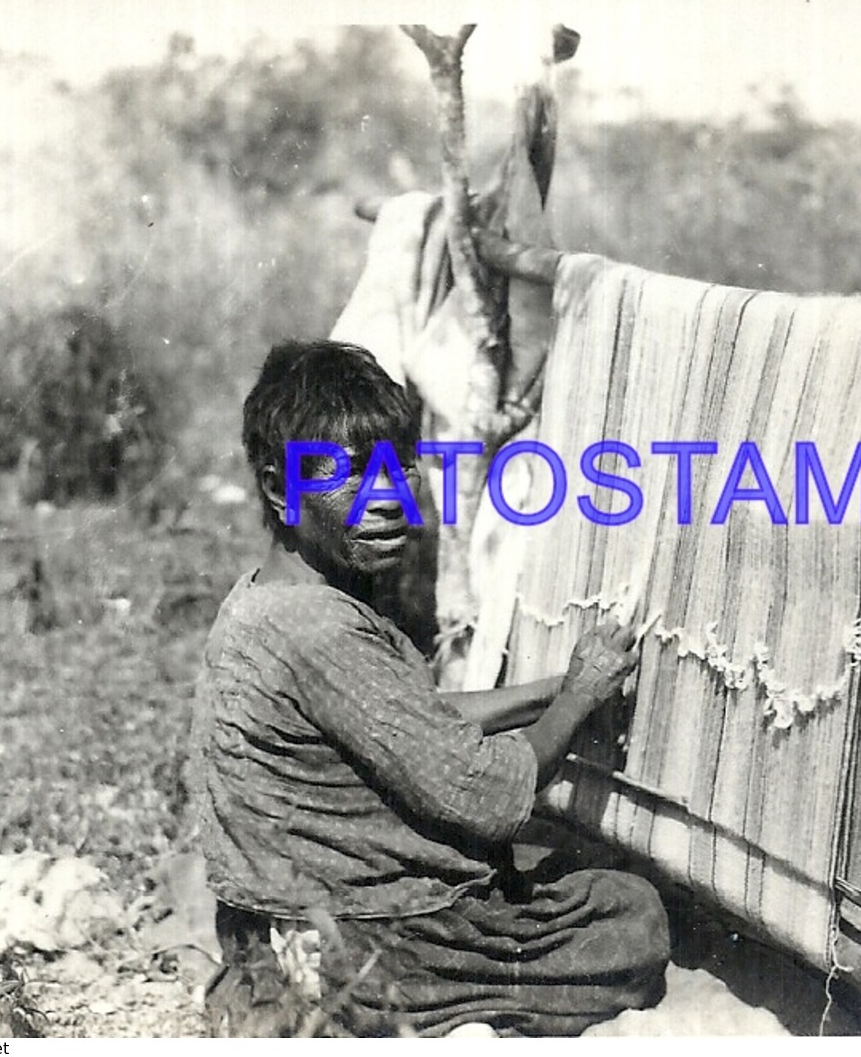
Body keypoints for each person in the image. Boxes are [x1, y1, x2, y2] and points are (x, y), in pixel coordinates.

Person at [187, 340, 670, 1037]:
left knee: (563, 860)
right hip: (365, 956)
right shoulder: (320, 630)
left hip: (272, 934)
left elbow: (414, 715)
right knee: (628, 909)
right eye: (353, 477)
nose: (388, 500)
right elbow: (486, 800)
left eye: (397, 467)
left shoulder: (266, 600)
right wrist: (578, 701)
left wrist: (558, 686)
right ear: (277, 488)